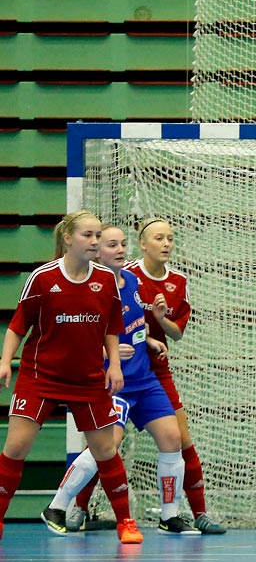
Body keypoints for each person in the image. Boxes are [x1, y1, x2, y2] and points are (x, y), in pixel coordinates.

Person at [0, 212, 143, 544]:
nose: (94, 242)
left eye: (97, 236)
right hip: (41, 375)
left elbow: (112, 326)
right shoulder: (43, 278)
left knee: (105, 449)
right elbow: (18, 326)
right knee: (17, 447)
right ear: (68, 239)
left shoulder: (106, 280)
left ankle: (126, 522)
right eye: (87, 236)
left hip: (88, 378)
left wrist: (114, 365)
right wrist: (6, 361)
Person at [45, 225, 191, 536]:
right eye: (113, 245)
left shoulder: (133, 281)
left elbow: (133, 323)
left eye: (123, 244)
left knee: (172, 439)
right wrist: (104, 352)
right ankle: (57, 505)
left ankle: (170, 516)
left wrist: (149, 339)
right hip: (113, 384)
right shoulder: (89, 288)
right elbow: (72, 336)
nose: (121, 250)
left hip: (144, 379)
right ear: (97, 251)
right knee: (107, 446)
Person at [104, 218, 227, 534]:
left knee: (180, 438)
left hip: (155, 369)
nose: (167, 243)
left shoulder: (179, 282)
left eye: (171, 238)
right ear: (143, 244)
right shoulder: (125, 275)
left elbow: (177, 333)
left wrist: (160, 321)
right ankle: (78, 510)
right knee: (105, 442)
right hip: (121, 365)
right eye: (159, 238)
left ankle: (197, 512)